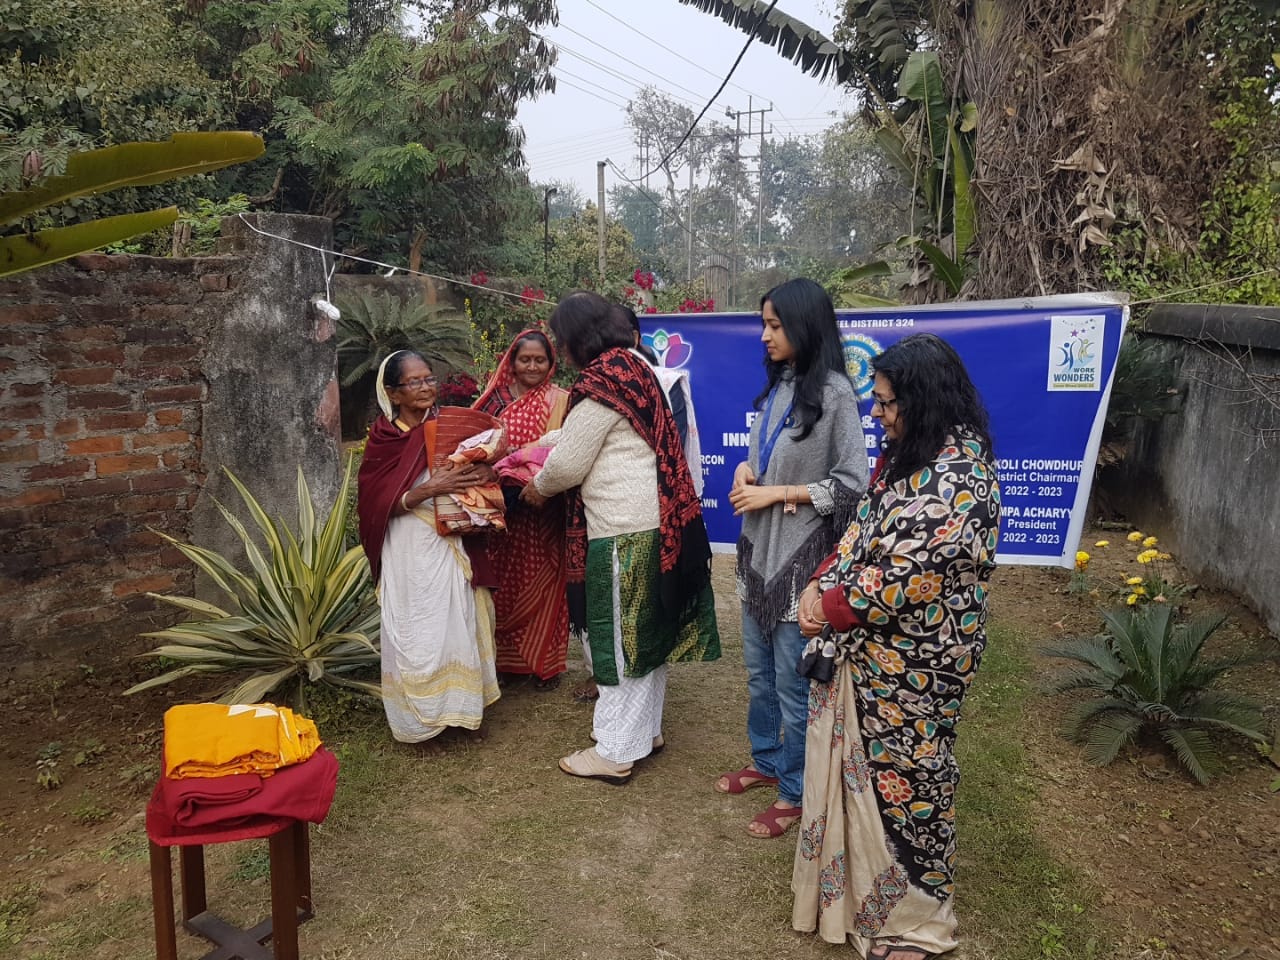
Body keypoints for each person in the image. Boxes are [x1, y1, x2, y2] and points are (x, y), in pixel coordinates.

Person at [792, 333, 1000, 960]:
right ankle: (864, 901)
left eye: (886, 403)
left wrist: (825, 606)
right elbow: (861, 531)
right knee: (871, 782)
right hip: (871, 655)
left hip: (920, 664)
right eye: (876, 402)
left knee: (912, 782)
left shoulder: (960, 478)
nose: (878, 415)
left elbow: (903, 578)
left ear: (926, 400)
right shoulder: (908, 452)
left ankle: (921, 923)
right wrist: (823, 578)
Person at [522, 291, 720, 783]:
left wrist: (535, 486)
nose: (561, 349)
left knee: (620, 642)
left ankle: (614, 750)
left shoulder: (601, 378)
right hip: (654, 524)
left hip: (622, 531)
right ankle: (643, 732)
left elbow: (568, 463)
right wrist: (522, 446)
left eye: (562, 339)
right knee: (647, 636)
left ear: (576, 338)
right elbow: (581, 435)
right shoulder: (633, 366)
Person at [722, 278, 868, 839]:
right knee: (758, 676)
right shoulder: (781, 386)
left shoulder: (834, 395)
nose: (765, 335)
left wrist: (780, 495)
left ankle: (793, 789)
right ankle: (764, 760)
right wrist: (747, 471)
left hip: (799, 559)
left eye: (775, 325)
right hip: (758, 551)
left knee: (790, 682)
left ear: (805, 325)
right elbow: (768, 455)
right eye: (763, 324)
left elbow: (853, 485)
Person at [356, 350, 500, 744]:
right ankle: (420, 720)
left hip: (450, 542)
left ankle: (463, 711)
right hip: (408, 547)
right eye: (414, 382)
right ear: (393, 393)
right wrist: (427, 491)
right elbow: (373, 504)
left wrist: (482, 470)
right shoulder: (384, 439)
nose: (425, 388)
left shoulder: (451, 426)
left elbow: (483, 471)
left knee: (457, 617)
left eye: (429, 379)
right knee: (417, 624)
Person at [473, 329, 572, 690]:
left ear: (551, 363)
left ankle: (544, 664)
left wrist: (540, 482)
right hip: (501, 512)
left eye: (539, 360)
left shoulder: (562, 401)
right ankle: (503, 662)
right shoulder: (493, 402)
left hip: (545, 507)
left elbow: (569, 451)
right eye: (524, 359)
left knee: (546, 582)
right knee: (502, 584)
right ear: (511, 362)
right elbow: (472, 445)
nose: (532, 366)